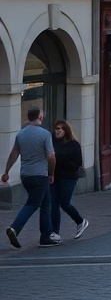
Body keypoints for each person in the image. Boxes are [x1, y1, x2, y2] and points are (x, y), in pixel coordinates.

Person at [3, 106, 60, 248]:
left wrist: (6, 171)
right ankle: (15, 228)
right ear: (40, 117)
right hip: (40, 175)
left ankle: (46, 236)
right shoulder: (45, 134)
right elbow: (51, 155)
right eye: (42, 114)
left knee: (46, 203)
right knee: (33, 203)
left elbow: (14, 154)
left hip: (25, 175)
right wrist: (52, 173)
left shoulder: (21, 134)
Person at [50, 119, 88, 240]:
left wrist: (58, 157)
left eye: (60, 129)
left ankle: (80, 221)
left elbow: (77, 162)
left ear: (66, 130)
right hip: (54, 176)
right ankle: (54, 232)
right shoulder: (52, 142)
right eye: (56, 129)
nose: (57, 131)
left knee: (64, 202)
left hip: (68, 177)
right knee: (53, 204)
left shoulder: (73, 144)